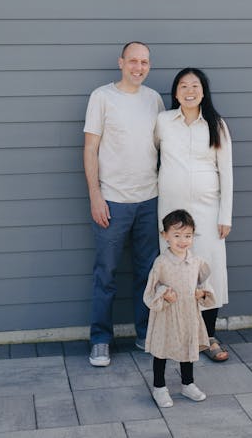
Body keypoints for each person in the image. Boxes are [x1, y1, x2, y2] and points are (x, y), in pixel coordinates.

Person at [83, 41, 165, 367]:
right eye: (133, 61)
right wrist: (95, 194)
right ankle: (100, 340)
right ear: (121, 63)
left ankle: (145, 333)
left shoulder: (154, 100)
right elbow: (90, 149)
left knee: (148, 273)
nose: (139, 67)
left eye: (144, 62)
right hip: (112, 202)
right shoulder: (102, 97)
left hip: (150, 200)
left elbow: (163, 148)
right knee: (106, 273)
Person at [156, 67, 233, 362]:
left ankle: (208, 336)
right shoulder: (163, 121)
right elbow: (150, 156)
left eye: (195, 85)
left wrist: (225, 215)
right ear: (175, 93)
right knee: (174, 272)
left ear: (203, 91)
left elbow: (226, 172)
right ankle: (179, 336)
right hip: (170, 214)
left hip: (208, 211)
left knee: (207, 272)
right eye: (183, 85)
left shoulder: (217, 124)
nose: (189, 90)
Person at [144, 209, 215, 408]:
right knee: (161, 350)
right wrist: (164, 292)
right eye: (176, 235)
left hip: (188, 314)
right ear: (165, 236)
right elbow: (151, 289)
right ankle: (159, 387)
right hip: (167, 315)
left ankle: (188, 383)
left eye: (187, 236)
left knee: (187, 347)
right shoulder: (161, 263)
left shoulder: (196, 262)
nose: (182, 241)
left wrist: (202, 293)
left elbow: (205, 282)